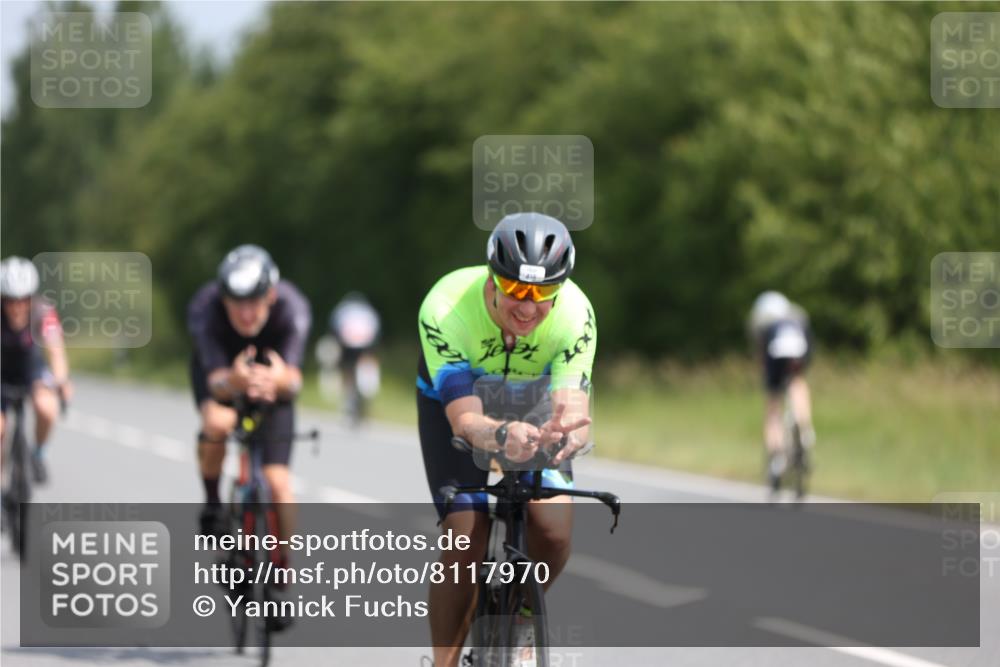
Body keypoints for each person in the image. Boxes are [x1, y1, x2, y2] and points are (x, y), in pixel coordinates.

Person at [416, 212, 595, 667]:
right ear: (492, 279)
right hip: (460, 402)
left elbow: (574, 410)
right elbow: (464, 421)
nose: (528, 306)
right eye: (517, 289)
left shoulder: (576, 313)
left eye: (543, 293)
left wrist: (564, 435)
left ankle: (522, 616)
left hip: (533, 399)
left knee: (553, 533)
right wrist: (498, 436)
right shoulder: (445, 306)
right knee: (465, 532)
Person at [187, 245, 311, 567]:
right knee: (217, 423)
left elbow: (295, 381)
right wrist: (234, 382)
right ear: (222, 299)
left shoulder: (292, 307)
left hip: (273, 387)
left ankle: (282, 568)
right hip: (223, 376)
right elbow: (215, 381)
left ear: (270, 296)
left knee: (279, 482)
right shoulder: (204, 307)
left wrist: (279, 380)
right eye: (235, 305)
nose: (245, 315)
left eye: (254, 304)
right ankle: (214, 504)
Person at [0, 256, 73, 485]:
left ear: (31, 298)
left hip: (31, 370)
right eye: (10, 301)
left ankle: (38, 453)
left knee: (46, 407)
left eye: (23, 300)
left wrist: (61, 380)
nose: (17, 307)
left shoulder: (44, 312)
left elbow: (56, 351)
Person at [747, 290, 815, 491]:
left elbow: (761, 355)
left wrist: (765, 375)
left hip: (775, 352)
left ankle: (776, 456)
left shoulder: (764, 323)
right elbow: (809, 343)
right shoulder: (797, 315)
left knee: (773, 405)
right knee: (798, 382)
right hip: (800, 347)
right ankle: (805, 430)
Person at [328, 291, 381, 423]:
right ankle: (362, 400)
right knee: (364, 369)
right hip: (365, 345)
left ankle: (348, 402)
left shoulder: (343, 310)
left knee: (347, 371)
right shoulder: (368, 312)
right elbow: (377, 331)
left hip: (347, 345)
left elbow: (334, 328)